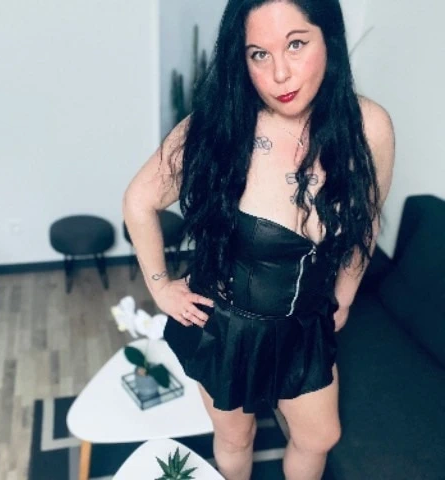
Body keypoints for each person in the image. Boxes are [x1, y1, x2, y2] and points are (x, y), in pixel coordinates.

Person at [122, 0, 395, 479]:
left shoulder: (369, 127)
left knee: (319, 437)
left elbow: (365, 220)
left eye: (296, 44)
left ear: (328, 38)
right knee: (235, 437)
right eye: (259, 54)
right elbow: (139, 201)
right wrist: (161, 287)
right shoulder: (218, 126)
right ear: (241, 57)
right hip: (228, 324)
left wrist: (346, 297)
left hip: (305, 324)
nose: (280, 73)